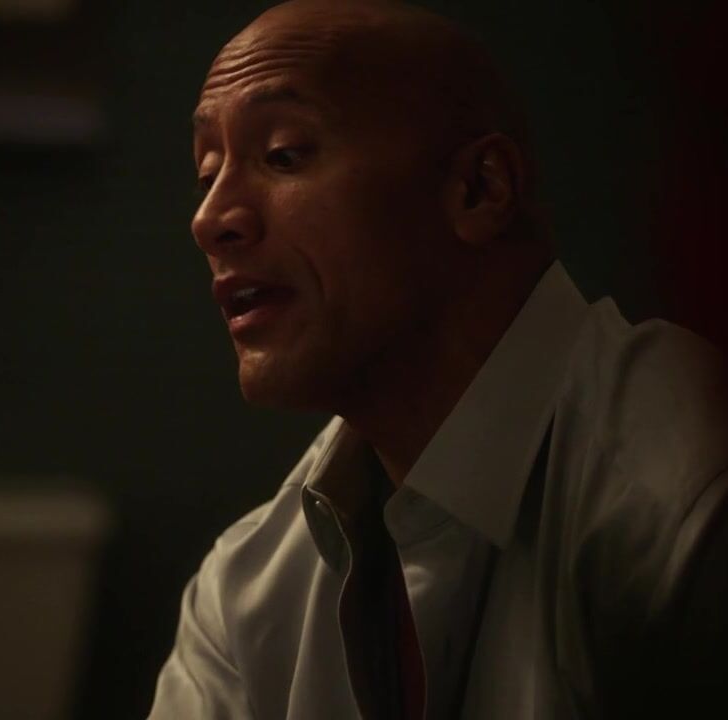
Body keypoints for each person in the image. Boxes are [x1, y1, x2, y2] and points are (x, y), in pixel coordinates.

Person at [149, 0, 728, 718]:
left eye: (283, 154)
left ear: (479, 188)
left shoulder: (686, 501)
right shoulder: (246, 594)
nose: (209, 219)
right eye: (207, 172)